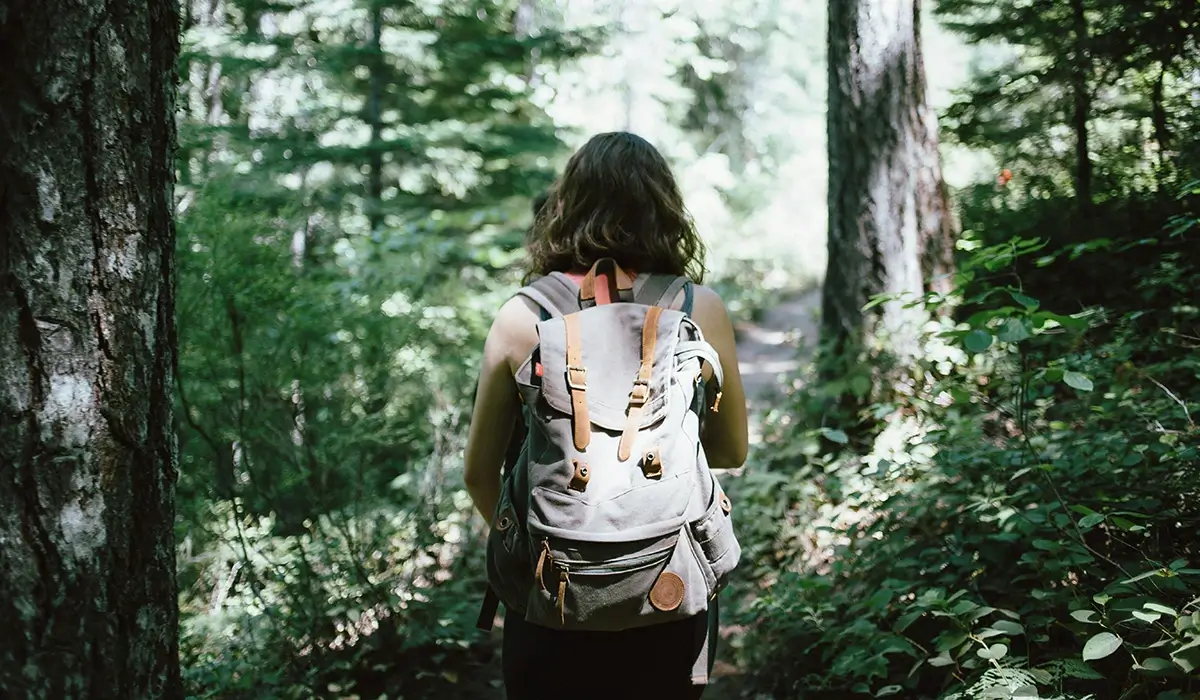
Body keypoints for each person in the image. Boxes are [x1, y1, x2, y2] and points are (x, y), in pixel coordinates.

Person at [463, 131, 749, 700]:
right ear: (664, 208)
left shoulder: (523, 316)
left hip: (551, 600)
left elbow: (479, 473)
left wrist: (540, 544)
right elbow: (730, 452)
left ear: (567, 206)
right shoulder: (699, 308)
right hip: (668, 590)